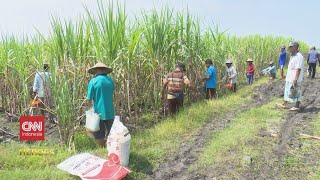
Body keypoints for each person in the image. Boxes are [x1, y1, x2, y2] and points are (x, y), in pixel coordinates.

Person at [86, 62, 115, 147]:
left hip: (98, 112)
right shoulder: (110, 80)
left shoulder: (93, 81)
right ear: (104, 70)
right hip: (110, 111)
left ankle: (101, 149)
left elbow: (89, 99)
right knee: (111, 132)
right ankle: (112, 148)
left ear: (96, 70)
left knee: (99, 134)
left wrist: (90, 109)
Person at [278, 41, 304, 111]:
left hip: (295, 77)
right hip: (290, 77)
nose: (289, 48)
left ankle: (297, 106)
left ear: (295, 47)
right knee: (287, 90)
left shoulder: (299, 56)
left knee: (296, 91)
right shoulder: (292, 55)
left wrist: (295, 79)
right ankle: (284, 104)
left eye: (290, 47)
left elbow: (298, 68)